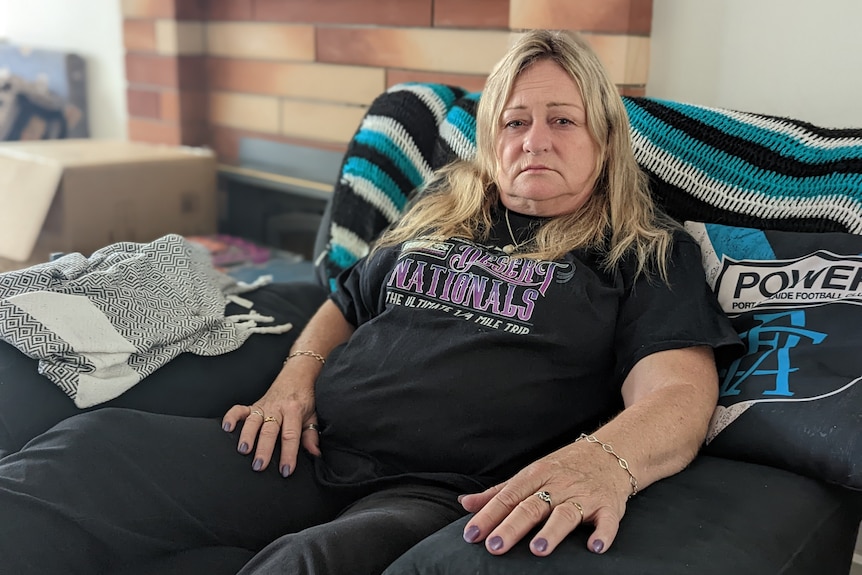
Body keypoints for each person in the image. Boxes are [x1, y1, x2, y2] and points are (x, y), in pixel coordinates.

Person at [0, 29, 741, 574]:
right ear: (490, 139)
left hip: (441, 491)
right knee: (85, 452)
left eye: (562, 119)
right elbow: (344, 301)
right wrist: (293, 380)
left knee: (311, 564)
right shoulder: (443, 207)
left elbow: (678, 391)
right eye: (514, 121)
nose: (534, 140)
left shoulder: (643, 249)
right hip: (307, 450)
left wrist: (606, 459)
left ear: (605, 140)